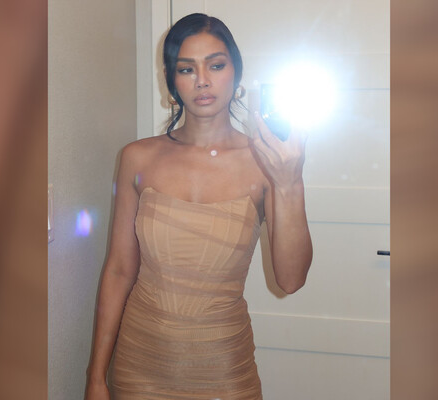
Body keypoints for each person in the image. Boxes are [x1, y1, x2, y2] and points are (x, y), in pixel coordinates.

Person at [85, 13, 312, 399]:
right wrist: (95, 377)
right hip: (138, 368)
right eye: (186, 68)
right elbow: (120, 270)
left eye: (216, 65)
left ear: (236, 74)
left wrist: (289, 182)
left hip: (224, 370)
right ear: (171, 81)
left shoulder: (268, 162)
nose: (202, 80)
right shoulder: (138, 158)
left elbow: (291, 280)